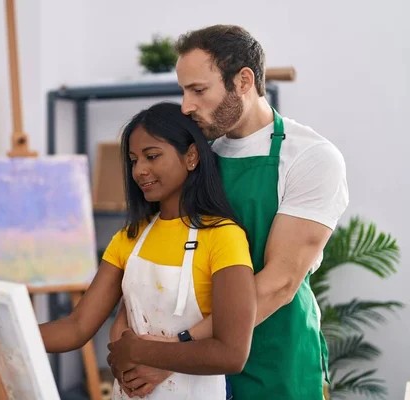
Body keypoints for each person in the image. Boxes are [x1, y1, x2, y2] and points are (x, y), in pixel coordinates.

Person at [107, 24, 349, 399]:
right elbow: (153, 247)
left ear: (243, 81)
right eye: (183, 91)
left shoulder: (309, 157)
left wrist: (175, 350)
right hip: (185, 357)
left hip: (273, 356)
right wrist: (134, 339)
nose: (186, 106)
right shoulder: (197, 155)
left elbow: (279, 284)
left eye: (198, 90)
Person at [39, 101, 257, 399]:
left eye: (152, 156)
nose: (139, 170)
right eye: (133, 160)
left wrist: (140, 351)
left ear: (191, 156)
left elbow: (231, 353)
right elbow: (76, 327)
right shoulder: (129, 238)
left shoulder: (223, 237)